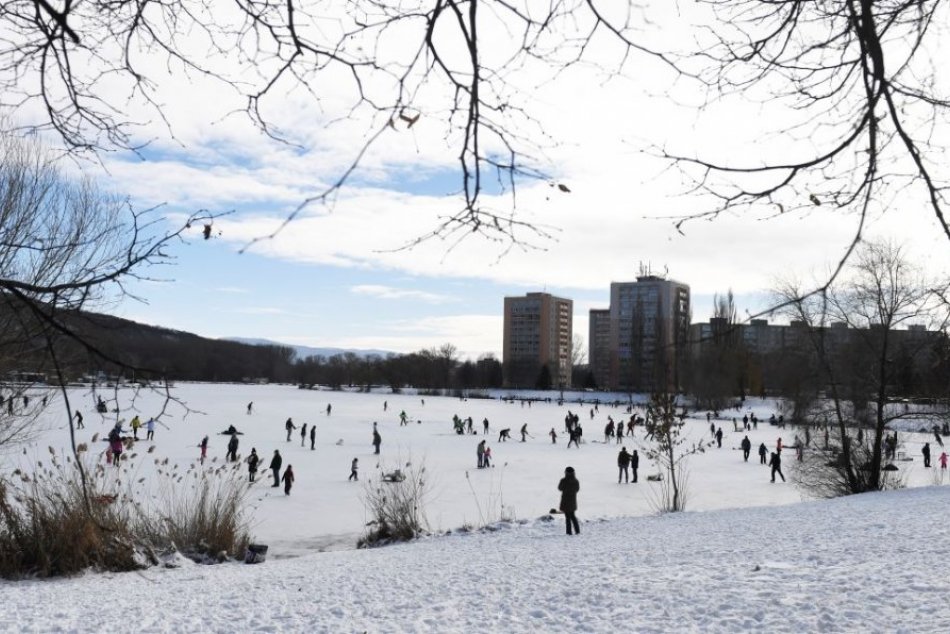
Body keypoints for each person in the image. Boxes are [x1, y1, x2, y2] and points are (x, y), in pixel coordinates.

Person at [557, 467, 580, 535]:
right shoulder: (576, 481)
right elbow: (577, 489)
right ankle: (577, 531)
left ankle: (569, 532)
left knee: (567, 517)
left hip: (565, 501)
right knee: (573, 516)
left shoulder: (564, 480)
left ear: (566, 473)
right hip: (573, 501)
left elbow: (560, 488)